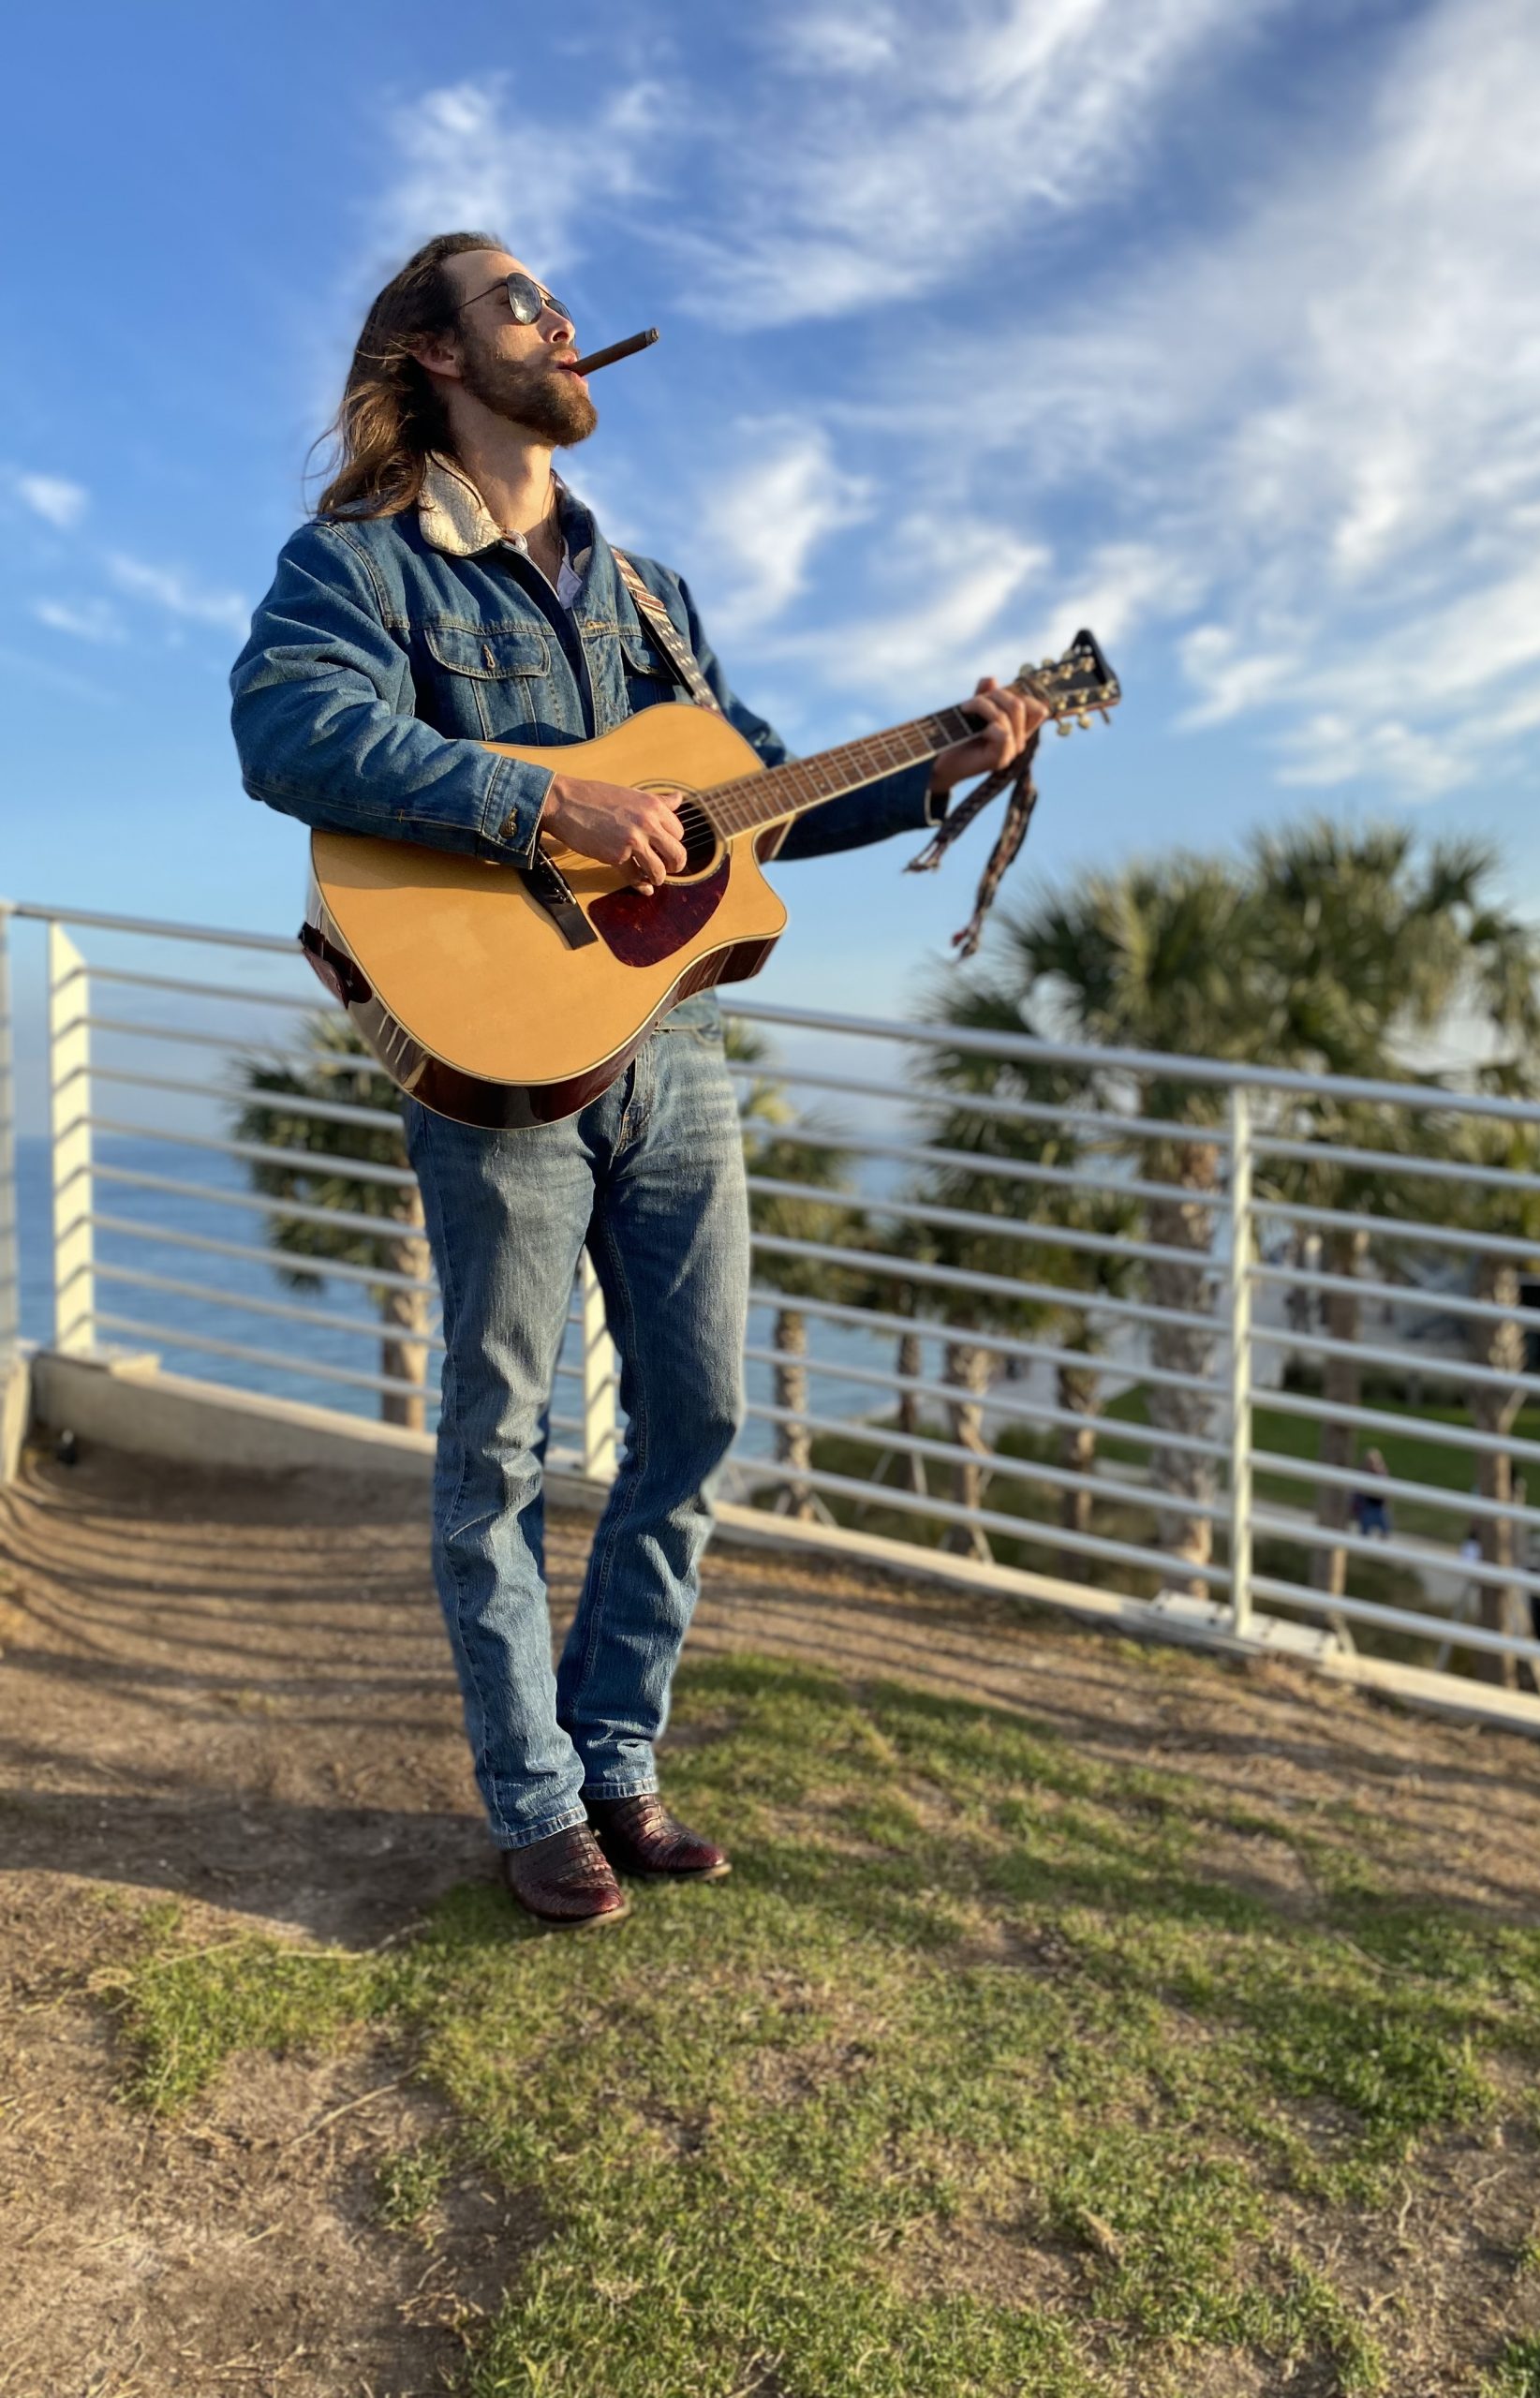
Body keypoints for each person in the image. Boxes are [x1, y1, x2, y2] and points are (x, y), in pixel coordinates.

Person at [230, 233, 1046, 1927]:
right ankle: (531, 1798)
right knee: (503, 1445)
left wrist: (937, 766)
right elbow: (287, 731)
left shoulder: (652, 593)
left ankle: (617, 1761)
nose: (565, 323)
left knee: (697, 1420)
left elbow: (748, 799)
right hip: (500, 1067)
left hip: (675, 1047)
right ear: (441, 357)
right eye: (522, 302)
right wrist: (546, 809)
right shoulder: (364, 566)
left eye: (560, 304)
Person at [1350, 1447, 1392, 1541]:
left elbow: (1386, 1493)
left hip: (1379, 1508)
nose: (1373, 1465)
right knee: (1364, 1532)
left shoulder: (1381, 1474)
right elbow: (1356, 1493)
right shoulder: (1362, 1475)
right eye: (1370, 1462)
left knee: (1385, 1531)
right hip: (1367, 1507)